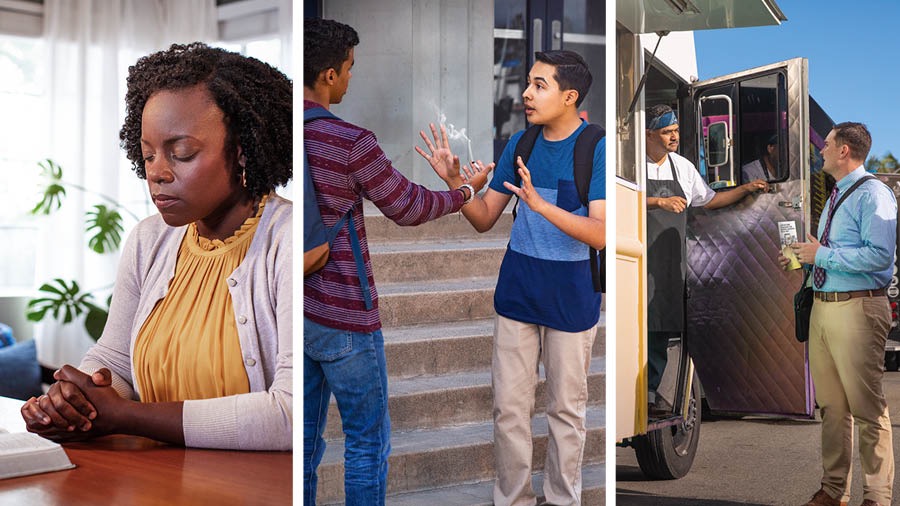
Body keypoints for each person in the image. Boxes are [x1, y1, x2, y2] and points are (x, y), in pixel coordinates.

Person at [19, 43, 293, 450]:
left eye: (181, 153)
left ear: (241, 151)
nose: (158, 174)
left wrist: (126, 416)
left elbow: (288, 413)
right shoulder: (149, 240)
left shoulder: (285, 239)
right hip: (153, 481)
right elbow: (114, 361)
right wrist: (79, 402)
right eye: (147, 155)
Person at [303, 18, 492, 506]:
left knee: (301, 447)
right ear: (328, 75)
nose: (350, 78)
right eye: (348, 69)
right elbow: (408, 207)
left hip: (293, 311)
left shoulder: (275, 138)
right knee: (367, 444)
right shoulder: (349, 141)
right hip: (345, 315)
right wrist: (465, 189)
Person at [419, 49, 604, 506]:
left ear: (569, 96)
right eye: (529, 83)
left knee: (565, 412)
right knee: (509, 411)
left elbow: (601, 234)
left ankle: (562, 500)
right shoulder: (520, 146)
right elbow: (484, 218)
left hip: (571, 299)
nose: (526, 93)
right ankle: (513, 500)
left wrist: (542, 206)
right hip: (518, 292)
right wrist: (457, 185)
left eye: (540, 85)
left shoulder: (594, 148)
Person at [784, 122, 895, 506]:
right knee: (832, 407)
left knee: (867, 408)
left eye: (827, 145)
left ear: (844, 150)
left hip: (859, 307)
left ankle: (877, 498)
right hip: (826, 308)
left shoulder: (874, 194)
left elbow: (881, 256)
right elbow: (839, 252)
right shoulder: (836, 195)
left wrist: (823, 255)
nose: (822, 151)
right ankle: (834, 491)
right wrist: (810, 256)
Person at [645, 104, 768, 410]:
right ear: (648, 135)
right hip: (635, 257)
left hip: (668, 261)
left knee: (659, 324)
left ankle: (649, 391)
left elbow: (710, 200)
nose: (674, 137)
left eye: (675, 130)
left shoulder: (682, 167)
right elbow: (616, 197)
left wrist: (746, 189)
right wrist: (657, 202)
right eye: (666, 132)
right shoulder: (631, 164)